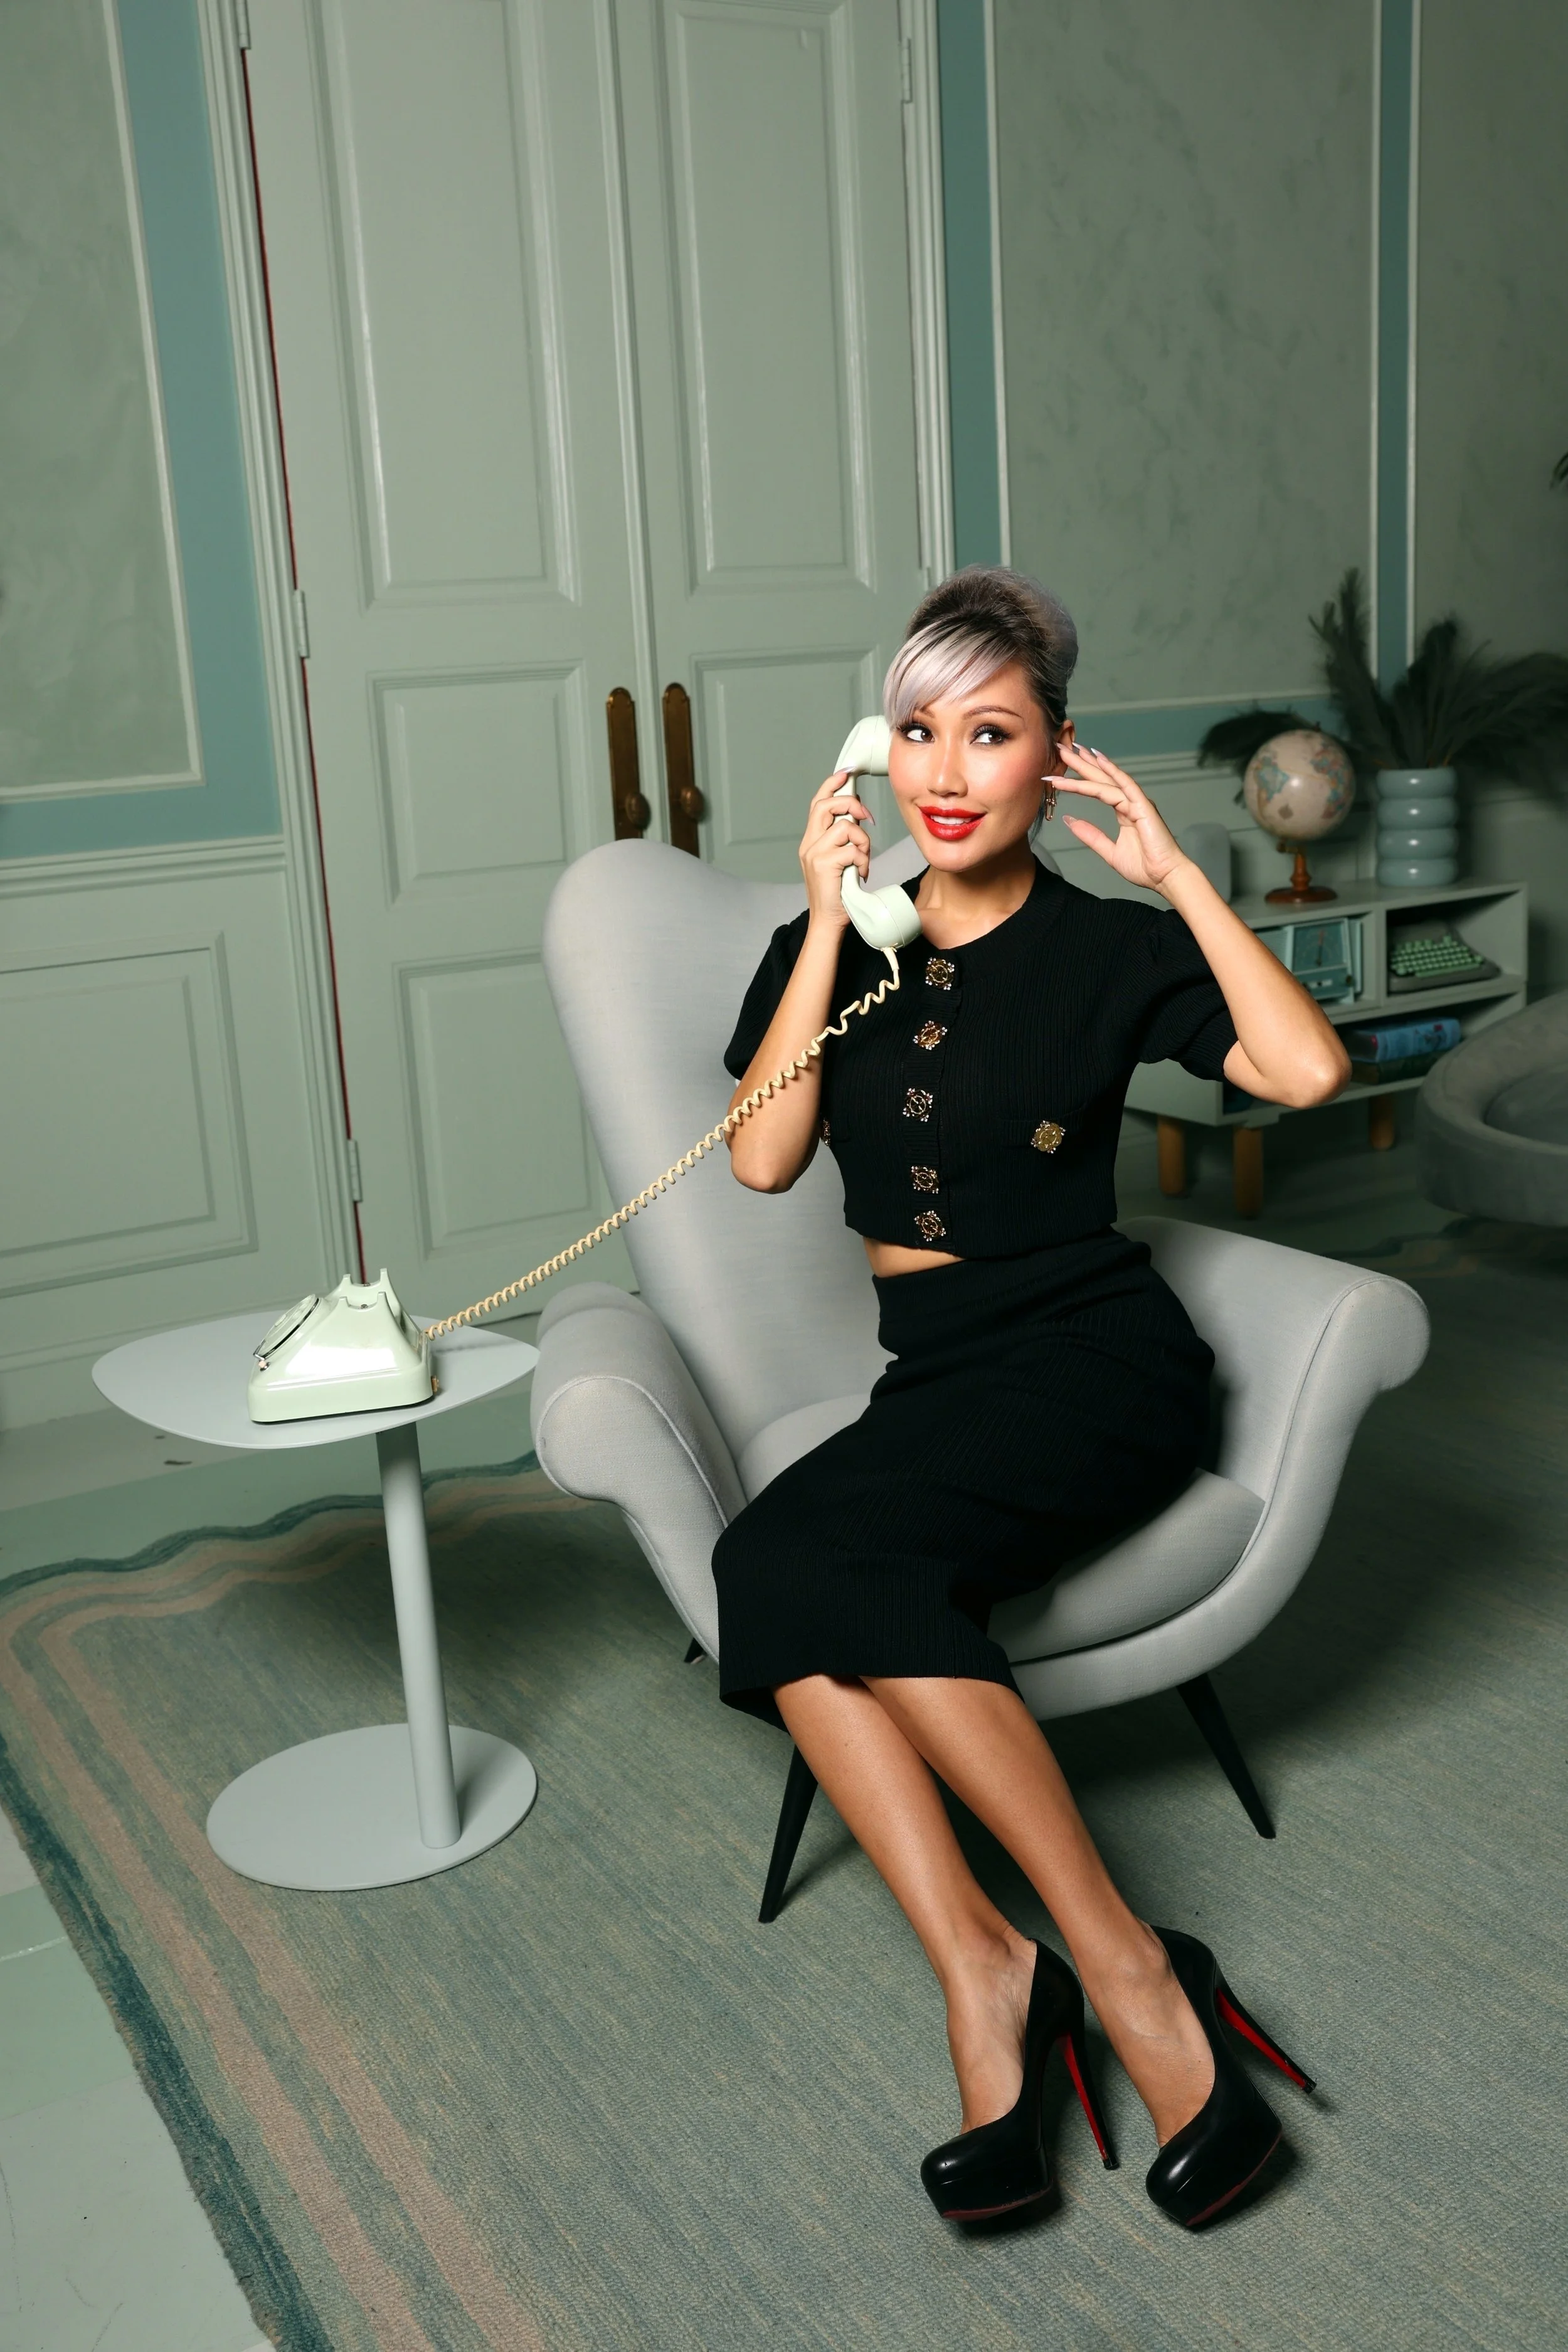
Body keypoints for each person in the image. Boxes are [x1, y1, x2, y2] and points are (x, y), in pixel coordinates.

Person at [713, 567, 1345, 2228]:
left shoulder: (1108, 947)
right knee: (765, 1568)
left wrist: (1180, 883)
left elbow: (1304, 1073)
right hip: (938, 1380)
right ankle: (988, 1967)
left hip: (1094, 1361)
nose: (943, 767)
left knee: (838, 1571)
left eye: (987, 732)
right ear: (876, 751)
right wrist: (824, 920)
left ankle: (1134, 1972)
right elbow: (766, 1156)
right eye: (915, 728)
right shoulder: (831, 948)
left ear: (1051, 755)